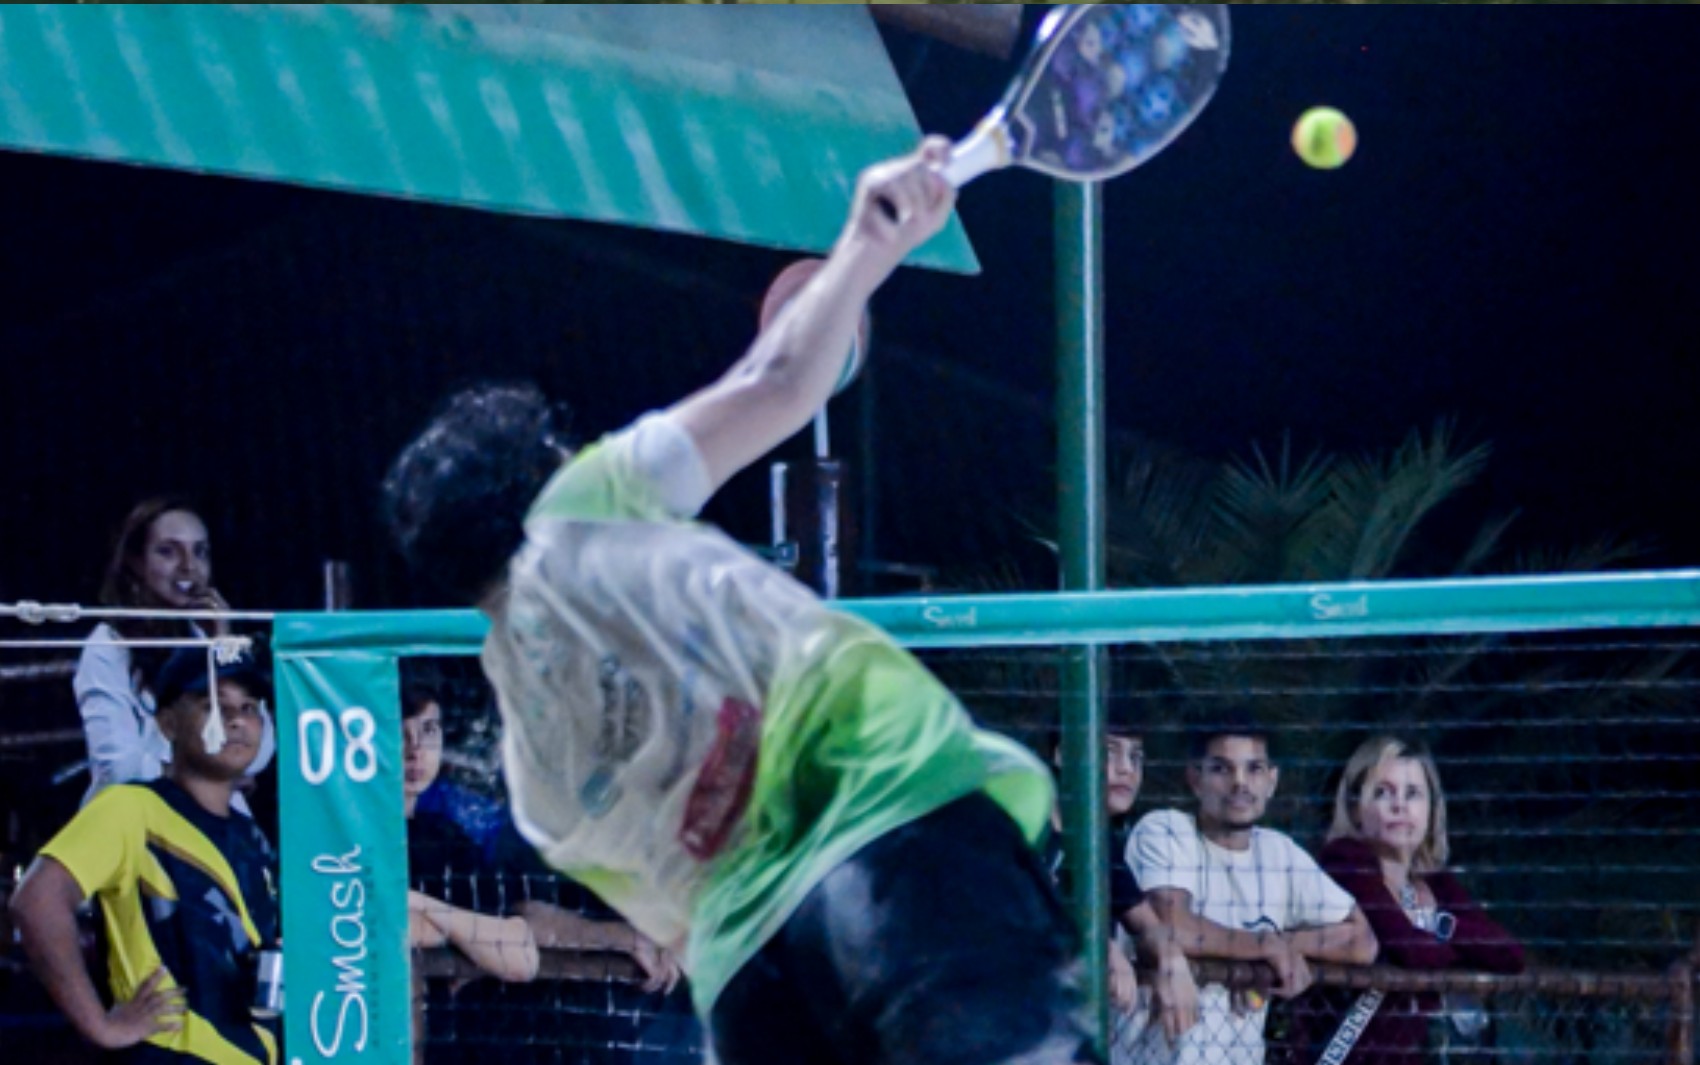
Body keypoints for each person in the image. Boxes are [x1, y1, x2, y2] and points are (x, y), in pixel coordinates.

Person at [382, 139, 1092, 1065]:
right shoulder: (578, 504)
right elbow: (779, 382)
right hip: (898, 854)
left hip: (754, 988)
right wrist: (869, 243)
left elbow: (677, 912)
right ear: (542, 466)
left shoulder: (533, 773)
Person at [10, 647, 280, 1065]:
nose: (236, 720)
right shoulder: (131, 809)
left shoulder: (250, 835)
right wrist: (101, 1025)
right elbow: (36, 901)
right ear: (167, 723)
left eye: (249, 707)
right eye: (213, 705)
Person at [1124, 715, 1377, 1065]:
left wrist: (1281, 946)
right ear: (1195, 778)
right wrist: (1262, 946)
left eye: (1254, 768)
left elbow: (1362, 941)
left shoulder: (1279, 852)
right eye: (1221, 768)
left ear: (1272, 781)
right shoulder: (1165, 829)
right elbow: (1170, 924)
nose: (1239, 783)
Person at [1299, 736, 1525, 1065]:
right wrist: (1459, 949)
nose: (1400, 806)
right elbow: (1410, 948)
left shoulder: (1436, 883)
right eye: (1383, 792)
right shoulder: (1345, 862)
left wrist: (1441, 929)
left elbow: (1509, 954)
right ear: (1355, 809)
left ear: (1431, 809)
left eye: (1413, 793)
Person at [73, 497, 274, 810]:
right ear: (136, 562)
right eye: (168, 551)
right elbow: (120, 771)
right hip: (137, 819)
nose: (188, 566)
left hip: (216, 817)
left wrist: (224, 644)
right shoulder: (108, 645)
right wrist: (209, 774)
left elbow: (258, 753)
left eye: (200, 552)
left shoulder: (206, 637)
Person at [1046, 721, 1198, 1055]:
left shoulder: (1101, 843)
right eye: (1109, 752)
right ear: (1062, 754)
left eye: (1136, 757)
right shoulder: (1023, 822)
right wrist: (1105, 949)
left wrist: (1173, 961)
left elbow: (1146, 922)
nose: (1126, 769)